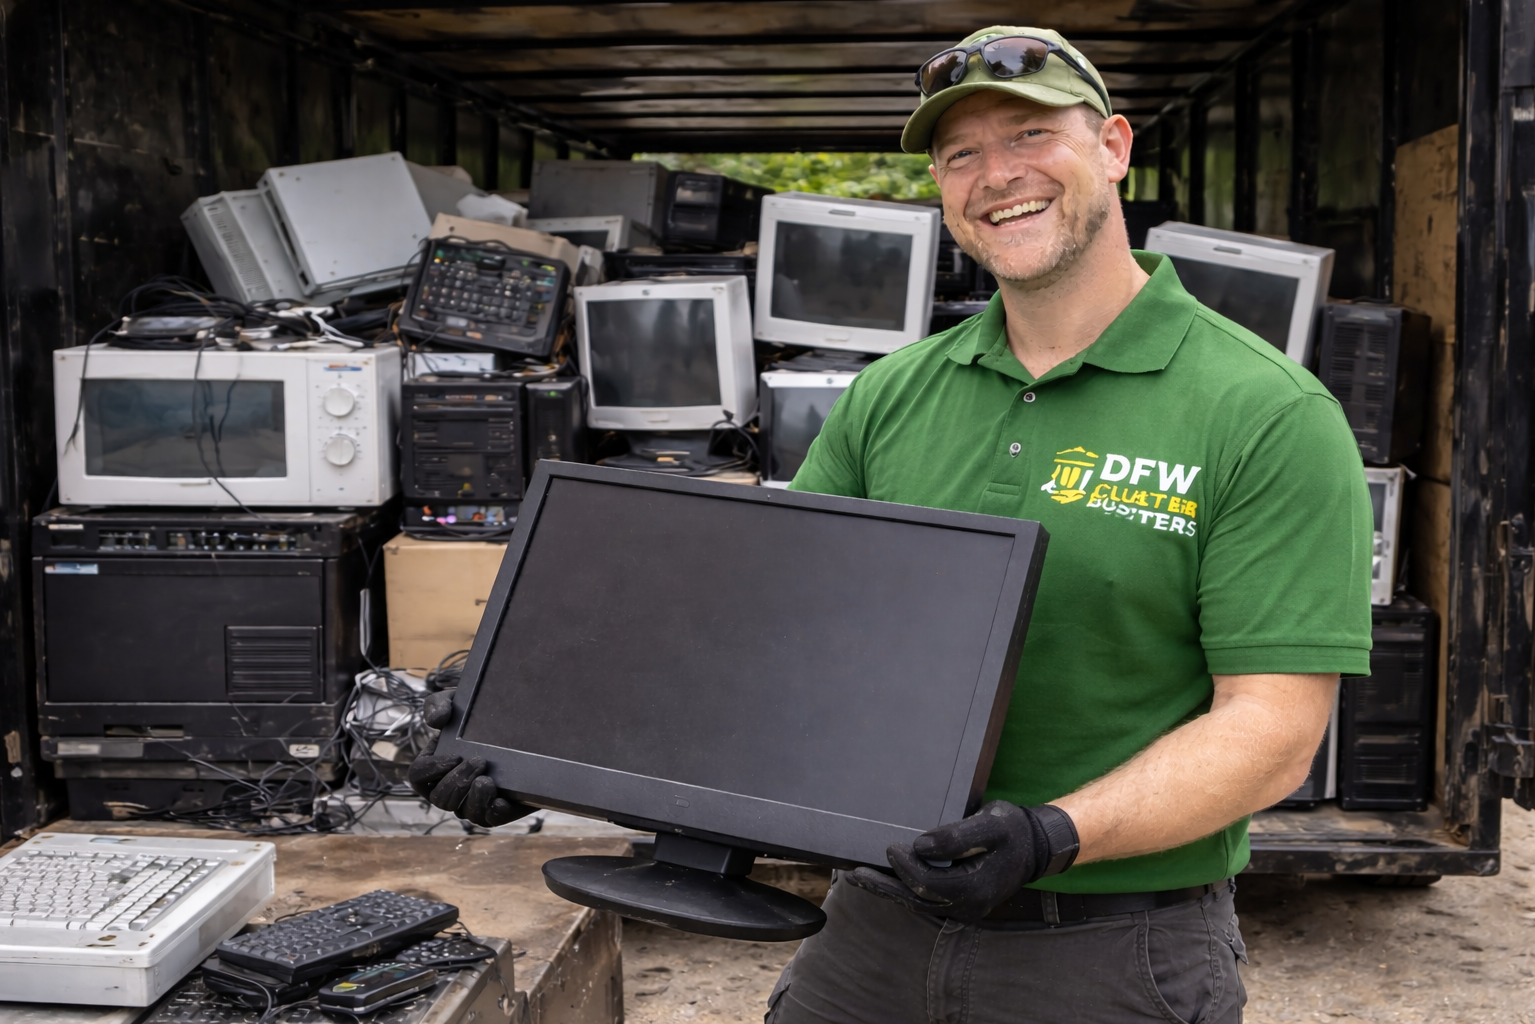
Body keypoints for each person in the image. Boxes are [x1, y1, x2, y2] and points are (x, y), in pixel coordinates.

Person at [409, 24, 1372, 1024]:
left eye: (1030, 135)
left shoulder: (1265, 413)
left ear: (1114, 147)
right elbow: (767, 644)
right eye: (961, 154)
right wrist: (521, 734)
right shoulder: (890, 398)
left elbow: (1271, 730)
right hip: (874, 933)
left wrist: (1051, 834)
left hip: (1113, 950)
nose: (998, 175)